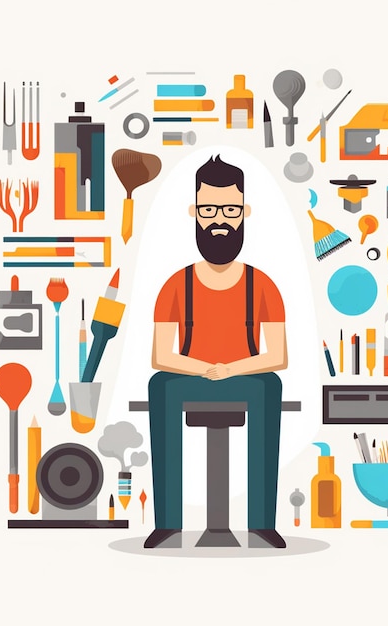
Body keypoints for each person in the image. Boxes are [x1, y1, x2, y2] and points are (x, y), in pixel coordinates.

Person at [144, 155, 288, 549]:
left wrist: (231, 369)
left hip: (244, 378)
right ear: (194, 212)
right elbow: (161, 354)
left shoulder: (263, 285)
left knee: (269, 386)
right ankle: (168, 522)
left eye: (229, 209)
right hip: (192, 376)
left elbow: (277, 355)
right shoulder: (177, 284)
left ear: (245, 212)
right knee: (161, 385)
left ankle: (261, 521)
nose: (219, 220)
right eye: (209, 209)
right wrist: (204, 368)